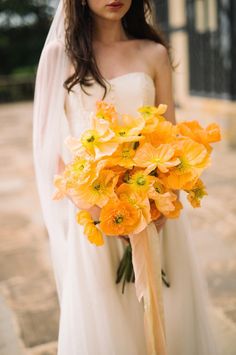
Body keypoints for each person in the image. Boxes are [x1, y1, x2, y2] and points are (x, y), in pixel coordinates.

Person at [33, 1, 218, 354]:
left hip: (155, 210)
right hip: (94, 215)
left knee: (168, 307)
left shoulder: (155, 53)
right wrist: (90, 203)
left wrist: (164, 199)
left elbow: (170, 135)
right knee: (108, 316)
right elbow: (48, 148)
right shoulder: (60, 56)